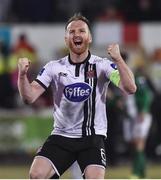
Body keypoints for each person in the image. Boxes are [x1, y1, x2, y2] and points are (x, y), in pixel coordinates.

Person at [17, 13, 136, 179]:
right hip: (61, 136)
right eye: (72, 32)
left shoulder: (102, 65)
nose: (77, 34)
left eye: (82, 31)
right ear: (66, 39)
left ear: (89, 37)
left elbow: (130, 88)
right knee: (36, 175)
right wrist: (22, 75)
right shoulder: (54, 67)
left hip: (92, 138)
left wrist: (118, 59)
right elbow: (28, 97)